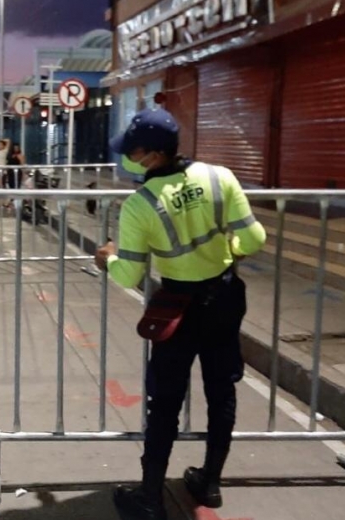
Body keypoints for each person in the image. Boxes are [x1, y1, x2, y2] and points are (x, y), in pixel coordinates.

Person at [95, 108, 266, 519]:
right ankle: (210, 483)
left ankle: (151, 496)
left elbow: (130, 273)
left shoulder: (141, 204)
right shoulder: (219, 177)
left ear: (153, 155)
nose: (129, 158)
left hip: (178, 309)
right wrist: (228, 255)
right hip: (224, 298)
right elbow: (254, 238)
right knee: (222, 391)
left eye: (133, 152)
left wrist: (107, 259)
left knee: (165, 401)